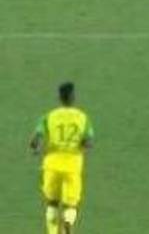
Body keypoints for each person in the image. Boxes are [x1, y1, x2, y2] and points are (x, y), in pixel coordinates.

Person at [30, 82, 94, 234]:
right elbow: (88, 143)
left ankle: (53, 232)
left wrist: (37, 149)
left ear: (59, 97)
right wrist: (80, 147)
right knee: (71, 204)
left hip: (52, 163)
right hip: (73, 165)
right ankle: (67, 223)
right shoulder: (83, 118)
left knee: (52, 202)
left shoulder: (49, 117)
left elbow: (35, 140)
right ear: (73, 97)